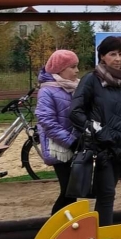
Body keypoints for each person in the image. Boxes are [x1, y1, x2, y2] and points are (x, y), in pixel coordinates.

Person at [70, 35, 121, 226]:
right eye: (113, 54)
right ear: (102, 56)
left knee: (108, 195)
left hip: (120, 147)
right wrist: (98, 131)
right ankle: (102, 237)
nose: (118, 58)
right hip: (100, 149)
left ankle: (101, 234)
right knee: (107, 194)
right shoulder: (91, 80)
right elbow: (75, 112)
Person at [35, 49, 80, 214]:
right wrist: (70, 141)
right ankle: (55, 226)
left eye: (77, 66)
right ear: (60, 69)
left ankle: (67, 228)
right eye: (73, 67)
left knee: (72, 190)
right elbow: (46, 121)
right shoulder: (47, 91)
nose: (76, 71)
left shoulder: (73, 87)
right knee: (69, 190)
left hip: (74, 145)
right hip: (59, 148)